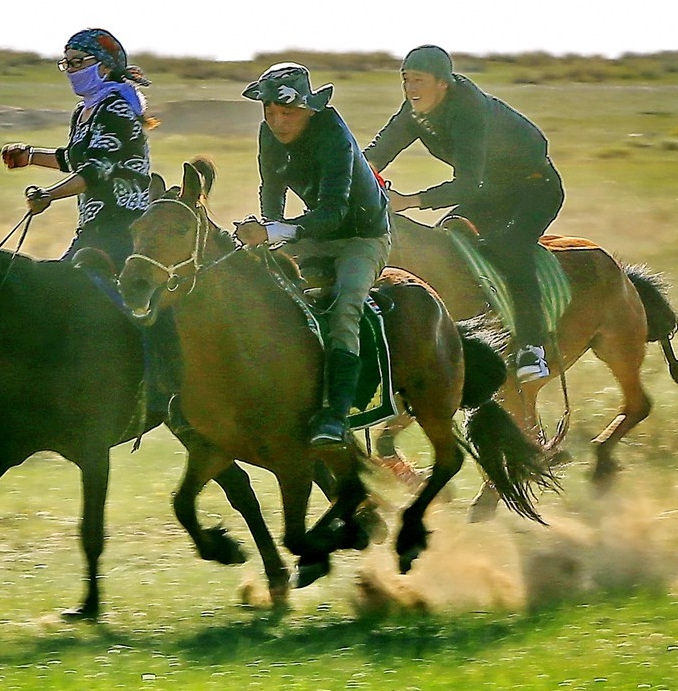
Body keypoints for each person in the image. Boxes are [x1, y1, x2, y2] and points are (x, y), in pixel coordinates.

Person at [364, 44, 564, 382]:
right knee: (444, 243)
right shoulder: (415, 110)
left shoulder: (469, 109)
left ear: (443, 83)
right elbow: (379, 150)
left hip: (533, 190)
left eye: (419, 80)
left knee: (510, 249)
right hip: (492, 192)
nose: (411, 89)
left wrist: (409, 200)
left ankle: (533, 348)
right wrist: (361, 175)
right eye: (406, 80)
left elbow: (467, 185)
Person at [232, 62, 393, 445]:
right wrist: (267, 234)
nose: (277, 121)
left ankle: (336, 415)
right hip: (312, 233)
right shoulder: (267, 135)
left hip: (362, 237)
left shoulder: (334, 134)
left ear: (308, 109)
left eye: (286, 112)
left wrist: (274, 230)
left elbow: (334, 211)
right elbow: (271, 190)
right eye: (269, 112)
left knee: (346, 305)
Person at [0, 28, 154, 263]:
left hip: (122, 228)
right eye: (67, 64)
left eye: (78, 62)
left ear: (105, 67)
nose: (71, 70)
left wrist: (48, 195)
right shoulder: (84, 111)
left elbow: (95, 171)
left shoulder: (116, 109)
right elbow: (75, 160)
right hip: (93, 228)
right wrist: (29, 156)